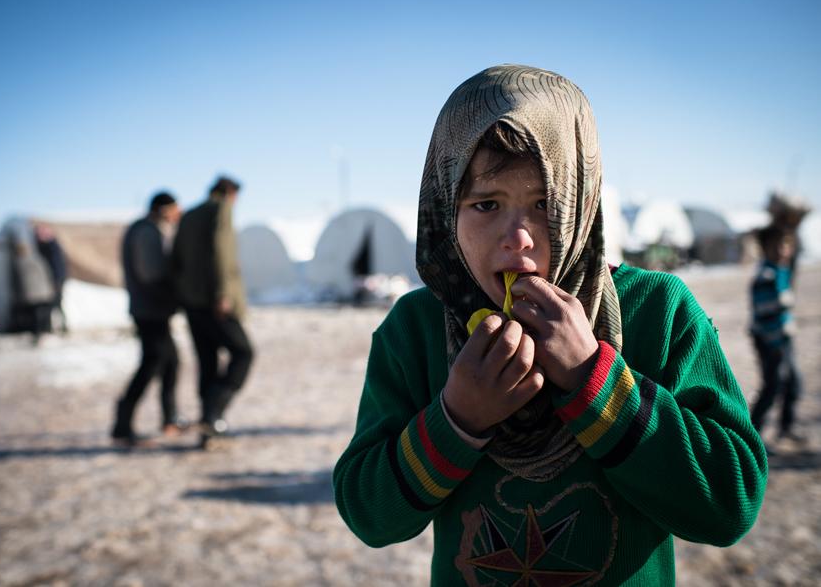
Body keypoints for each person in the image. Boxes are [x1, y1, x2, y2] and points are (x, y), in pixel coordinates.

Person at [333, 65, 766, 585]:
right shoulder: (417, 328)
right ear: (445, 208)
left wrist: (593, 378)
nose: (518, 238)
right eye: (486, 204)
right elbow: (369, 516)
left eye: (544, 203)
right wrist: (456, 418)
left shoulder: (657, 311)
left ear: (583, 201)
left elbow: (729, 503)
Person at [173, 176, 253, 448]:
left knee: (206, 362)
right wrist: (223, 294)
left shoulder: (188, 215)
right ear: (230, 193)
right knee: (243, 352)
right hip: (216, 302)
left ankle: (208, 429)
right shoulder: (221, 209)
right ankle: (214, 413)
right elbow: (221, 251)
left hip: (192, 302)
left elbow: (177, 259)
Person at [111, 191, 186, 446]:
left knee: (170, 362)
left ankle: (170, 417)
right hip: (149, 311)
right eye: (176, 210)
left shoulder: (146, 229)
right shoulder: (147, 232)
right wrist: (174, 295)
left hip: (152, 309)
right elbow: (151, 274)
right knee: (151, 364)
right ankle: (123, 423)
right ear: (165, 210)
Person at [749, 225, 804, 445]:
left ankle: (786, 428)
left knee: (794, 383)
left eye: (787, 244)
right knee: (772, 387)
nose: (783, 250)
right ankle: (752, 438)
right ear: (766, 248)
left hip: (783, 338)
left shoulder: (782, 270)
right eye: (778, 245)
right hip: (769, 341)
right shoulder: (766, 274)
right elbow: (765, 313)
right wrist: (775, 344)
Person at [33, 222, 68, 334]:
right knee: (50, 306)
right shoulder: (45, 246)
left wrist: (57, 281)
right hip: (51, 281)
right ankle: (53, 328)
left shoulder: (52, 246)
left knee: (55, 305)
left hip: (55, 281)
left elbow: (57, 265)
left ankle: (61, 328)